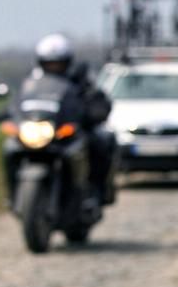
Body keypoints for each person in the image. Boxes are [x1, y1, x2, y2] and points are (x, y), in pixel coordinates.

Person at [31, 33, 117, 203]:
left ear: (67, 61)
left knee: (99, 144)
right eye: (49, 63)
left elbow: (97, 99)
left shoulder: (79, 78)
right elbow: (23, 100)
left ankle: (96, 192)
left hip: (70, 130)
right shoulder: (35, 80)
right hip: (45, 130)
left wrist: (93, 112)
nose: (54, 67)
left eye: (58, 63)